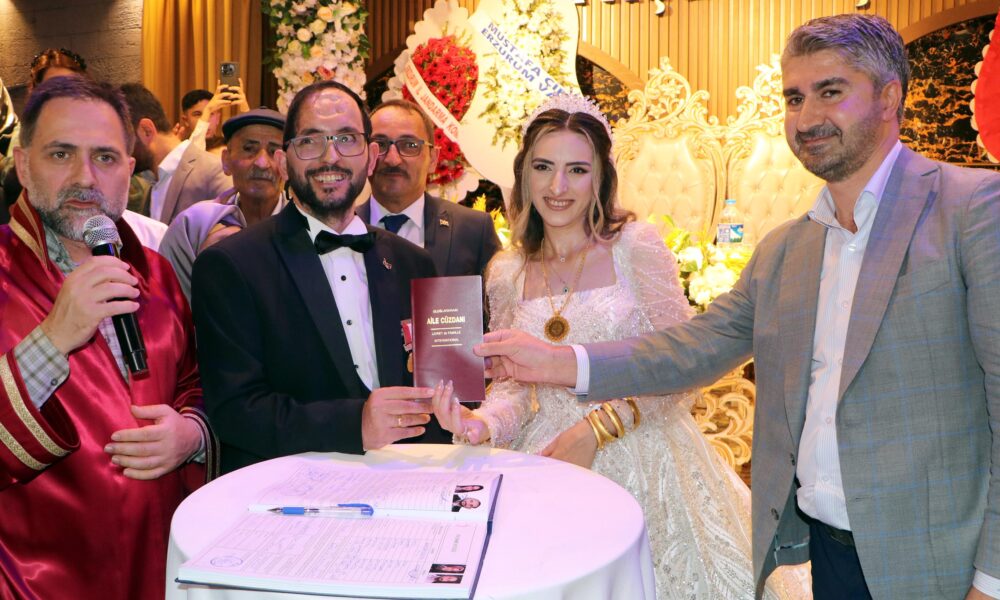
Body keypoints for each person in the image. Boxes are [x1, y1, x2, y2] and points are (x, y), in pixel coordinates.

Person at [475, 14, 1000, 600]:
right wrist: (557, 362)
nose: (807, 117)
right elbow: (691, 349)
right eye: (794, 98)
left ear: (889, 97)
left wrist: (993, 580)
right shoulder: (786, 250)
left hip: (941, 564)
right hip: (828, 555)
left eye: (830, 92)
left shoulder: (972, 211)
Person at [430, 94, 802, 600]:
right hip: (546, 462)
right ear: (523, 174)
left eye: (577, 170)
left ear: (601, 177)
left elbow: (682, 368)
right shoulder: (506, 272)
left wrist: (598, 429)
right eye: (543, 167)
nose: (558, 187)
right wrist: (482, 424)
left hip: (644, 454)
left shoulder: (635, 248)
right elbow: (512, 385)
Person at [0, 76, 215, 598]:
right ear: (23, 166)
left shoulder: (157, 273)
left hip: (160, 564)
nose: (85, 177)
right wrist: (54, 337)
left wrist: (192, 435)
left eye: (105, 157)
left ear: (129, 169)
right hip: (36, 579)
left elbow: (196, 383)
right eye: (61, 154)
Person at [191, 80, 449, 474]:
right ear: (284, 162)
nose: (331, 157)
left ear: (371, 157)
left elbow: (437, 388)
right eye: (311, 141)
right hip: (288, 489)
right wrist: (354, 424)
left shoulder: (415, 264)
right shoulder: (230, 265)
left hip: (408, 481)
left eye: (347, 139)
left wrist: (461, 400)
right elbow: (234, 410)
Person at [356, 99, 500, 277]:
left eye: (410, 145)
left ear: (433, 158)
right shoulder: (338, 231)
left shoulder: (473, 231)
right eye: (380, 145)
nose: (393, 160)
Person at [160, 107, 287, 301]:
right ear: (226, 161)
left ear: (287, 165)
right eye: (249, 149)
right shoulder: (194, 224)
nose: (262, 163)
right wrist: (206, 271)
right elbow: (167, 304)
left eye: (273, 152)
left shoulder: (305, 228)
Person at [119, 83, 231, 223]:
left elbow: (241, 231)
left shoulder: (214, 171)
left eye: (120, 139)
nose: (117, 149)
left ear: (146, 131)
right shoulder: (151, 184)